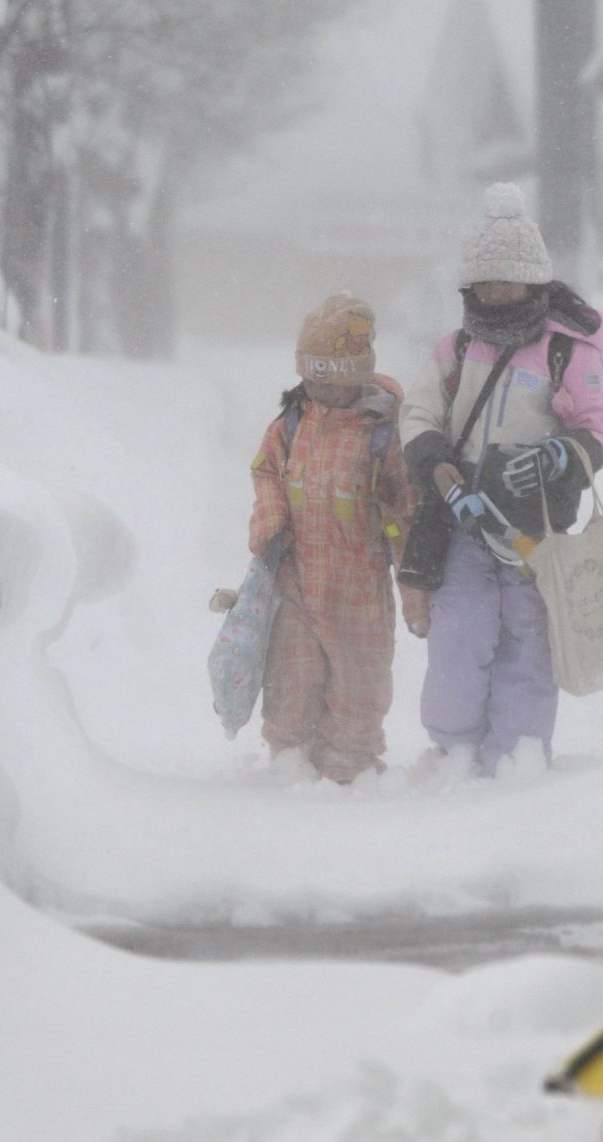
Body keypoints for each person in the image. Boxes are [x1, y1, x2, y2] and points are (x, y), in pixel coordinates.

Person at [399, 183, 603, 774]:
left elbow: (599, 429)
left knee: (528, 635)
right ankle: (455, 746)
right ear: (470, 287)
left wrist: (562, 455)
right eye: (486, 283)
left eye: (509, 282)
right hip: (464, 510)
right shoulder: (457, 347)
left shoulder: (567, 352)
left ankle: (518, 753)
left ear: (534, 283)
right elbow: (418, 414)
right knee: (459, 630)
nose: (497, 294)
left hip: (535, 521)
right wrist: (441, 471)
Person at [248, 293, 416, 783]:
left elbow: (404, 505)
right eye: (311, 374)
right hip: (298, 580)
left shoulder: (381, 432)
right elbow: (265, 473)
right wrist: (271, 521)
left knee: (358, 686)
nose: (320, 386)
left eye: (331, 376)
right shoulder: (291, 424)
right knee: (292, 681)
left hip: (359, 590)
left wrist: (415, 585)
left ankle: (349, 769)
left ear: (357, 375)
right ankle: (290, 763)